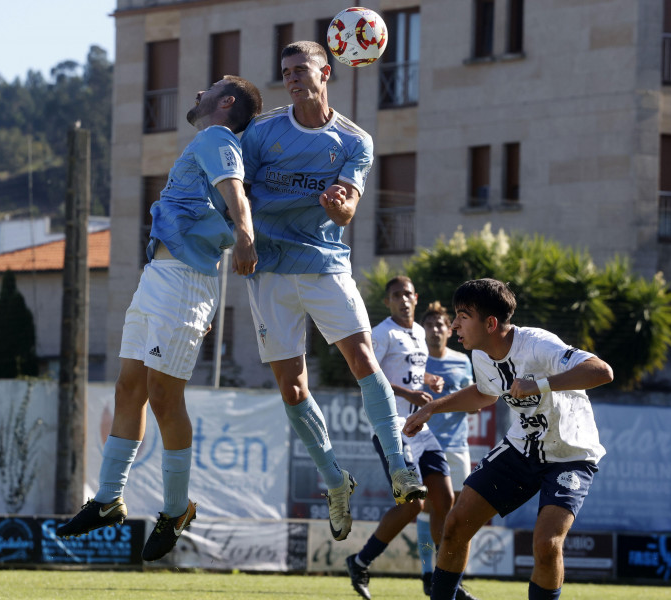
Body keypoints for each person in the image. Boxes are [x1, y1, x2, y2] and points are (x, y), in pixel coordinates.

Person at [56, 76, 263, 562]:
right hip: (158, 277)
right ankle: (107, 500)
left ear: (225, 103)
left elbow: (235, 189)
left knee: (163, 397)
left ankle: (175, 510)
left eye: (209, 89)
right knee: (129, 389)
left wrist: (245, 234)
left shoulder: (217, 138)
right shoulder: (207, 141)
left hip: (184, 281)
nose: (197, 94)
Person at [240, 41, 426, 542]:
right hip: (270, 270)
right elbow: (242, 196)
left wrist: (337, 205)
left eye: (302, 70)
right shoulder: (261, 132)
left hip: (324, 265)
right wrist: (243, 237)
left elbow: (347, 214)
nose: (293, 78)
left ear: (328, 73)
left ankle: (399, 466)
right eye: (286, 72)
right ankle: (334, 480)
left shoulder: (354, 141)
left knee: (363, 359)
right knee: (292, 387)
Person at [404, 278, 614, 600]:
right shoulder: (481, 354)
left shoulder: (538, 344)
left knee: (546, 545)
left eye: (462, 315)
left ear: (490, 323)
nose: (454, 324)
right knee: (456, 523)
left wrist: (540, 384)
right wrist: (433, 407)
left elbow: (601, 371)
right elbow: (485, 394)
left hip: (570, 455)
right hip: (522, 449)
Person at [345, 278, 476, 600]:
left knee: (444, 500)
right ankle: (360, 561)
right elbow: (366, 376)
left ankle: (443, 582)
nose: (403, 300)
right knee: (414, 504)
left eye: (407, 294)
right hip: (390, 427)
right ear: (388, 302)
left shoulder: (418, 331)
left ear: (416, 298)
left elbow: (410, 373)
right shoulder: (381, 333)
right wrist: (408, 392)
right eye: (396, 296)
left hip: (419, 426)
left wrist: (427, 379)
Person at [415, 301, 476, 596]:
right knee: (429, 509)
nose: (436, 329)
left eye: (441, 325)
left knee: (459, 511)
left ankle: (451, 575)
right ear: (422, 330)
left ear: (449, 331)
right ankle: (430, 572)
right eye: (430, 325)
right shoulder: (416, 361)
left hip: (457, 444)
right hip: (425, 446)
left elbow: (473, 396)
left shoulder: (462, 361)